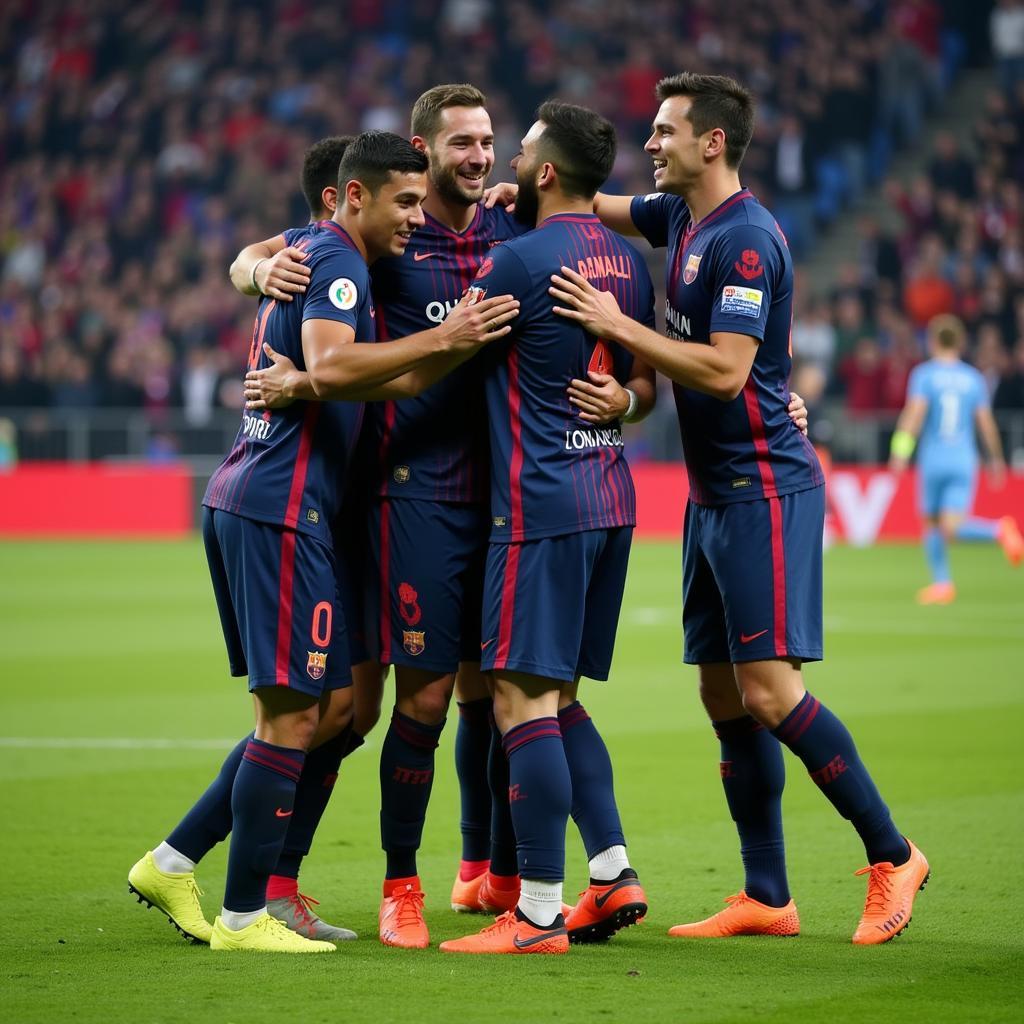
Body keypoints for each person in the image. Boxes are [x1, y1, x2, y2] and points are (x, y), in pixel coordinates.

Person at [547, 72, 930, 945]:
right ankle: (767, 893)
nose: (651, 143)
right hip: (713, 494)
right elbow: (606, 208)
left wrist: (620, 322)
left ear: (710, 142)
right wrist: (528, 188)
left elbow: (722, 370)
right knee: (723, 691)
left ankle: (891, 852)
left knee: (767, 688)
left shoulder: (748, 242)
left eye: (664, 131)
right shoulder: (681, 218)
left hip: (764, 485)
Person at [128, 131, 518, 954]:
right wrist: (443, 338)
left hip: (285, 504)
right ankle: (241, 917)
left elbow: (396, 377)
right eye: (403, 202)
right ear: (349, 196)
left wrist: (451, 349)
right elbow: (336, 368)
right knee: (295, 716)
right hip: (281, 504)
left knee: (328, 708)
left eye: (421, 202)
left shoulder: (314, 250)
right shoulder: (336, 262)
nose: (415, 218)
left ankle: (173, 859)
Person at [439, 100, 657, 956]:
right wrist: (630, 401)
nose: (507, 165)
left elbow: (445, 355)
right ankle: (611, 872)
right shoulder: (632, 263)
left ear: (546, 172)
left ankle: (534, 915)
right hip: (609, 492)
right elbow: (639, 383)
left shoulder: (517, 262)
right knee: (562, 699)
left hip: (539, 504)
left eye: (519, 151)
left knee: (517, 700)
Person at [889, 313, 1023, 604]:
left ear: (934, 341)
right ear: (960, 342)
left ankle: (997, 530)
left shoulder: (924, 374)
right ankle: (942, 585)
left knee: (939, 525)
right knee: (946, 525)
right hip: (964, 459)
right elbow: (985, 422)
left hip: (934, 459)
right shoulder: (972, 377)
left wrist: (900, 451)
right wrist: (996, 459)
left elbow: (914, 415)